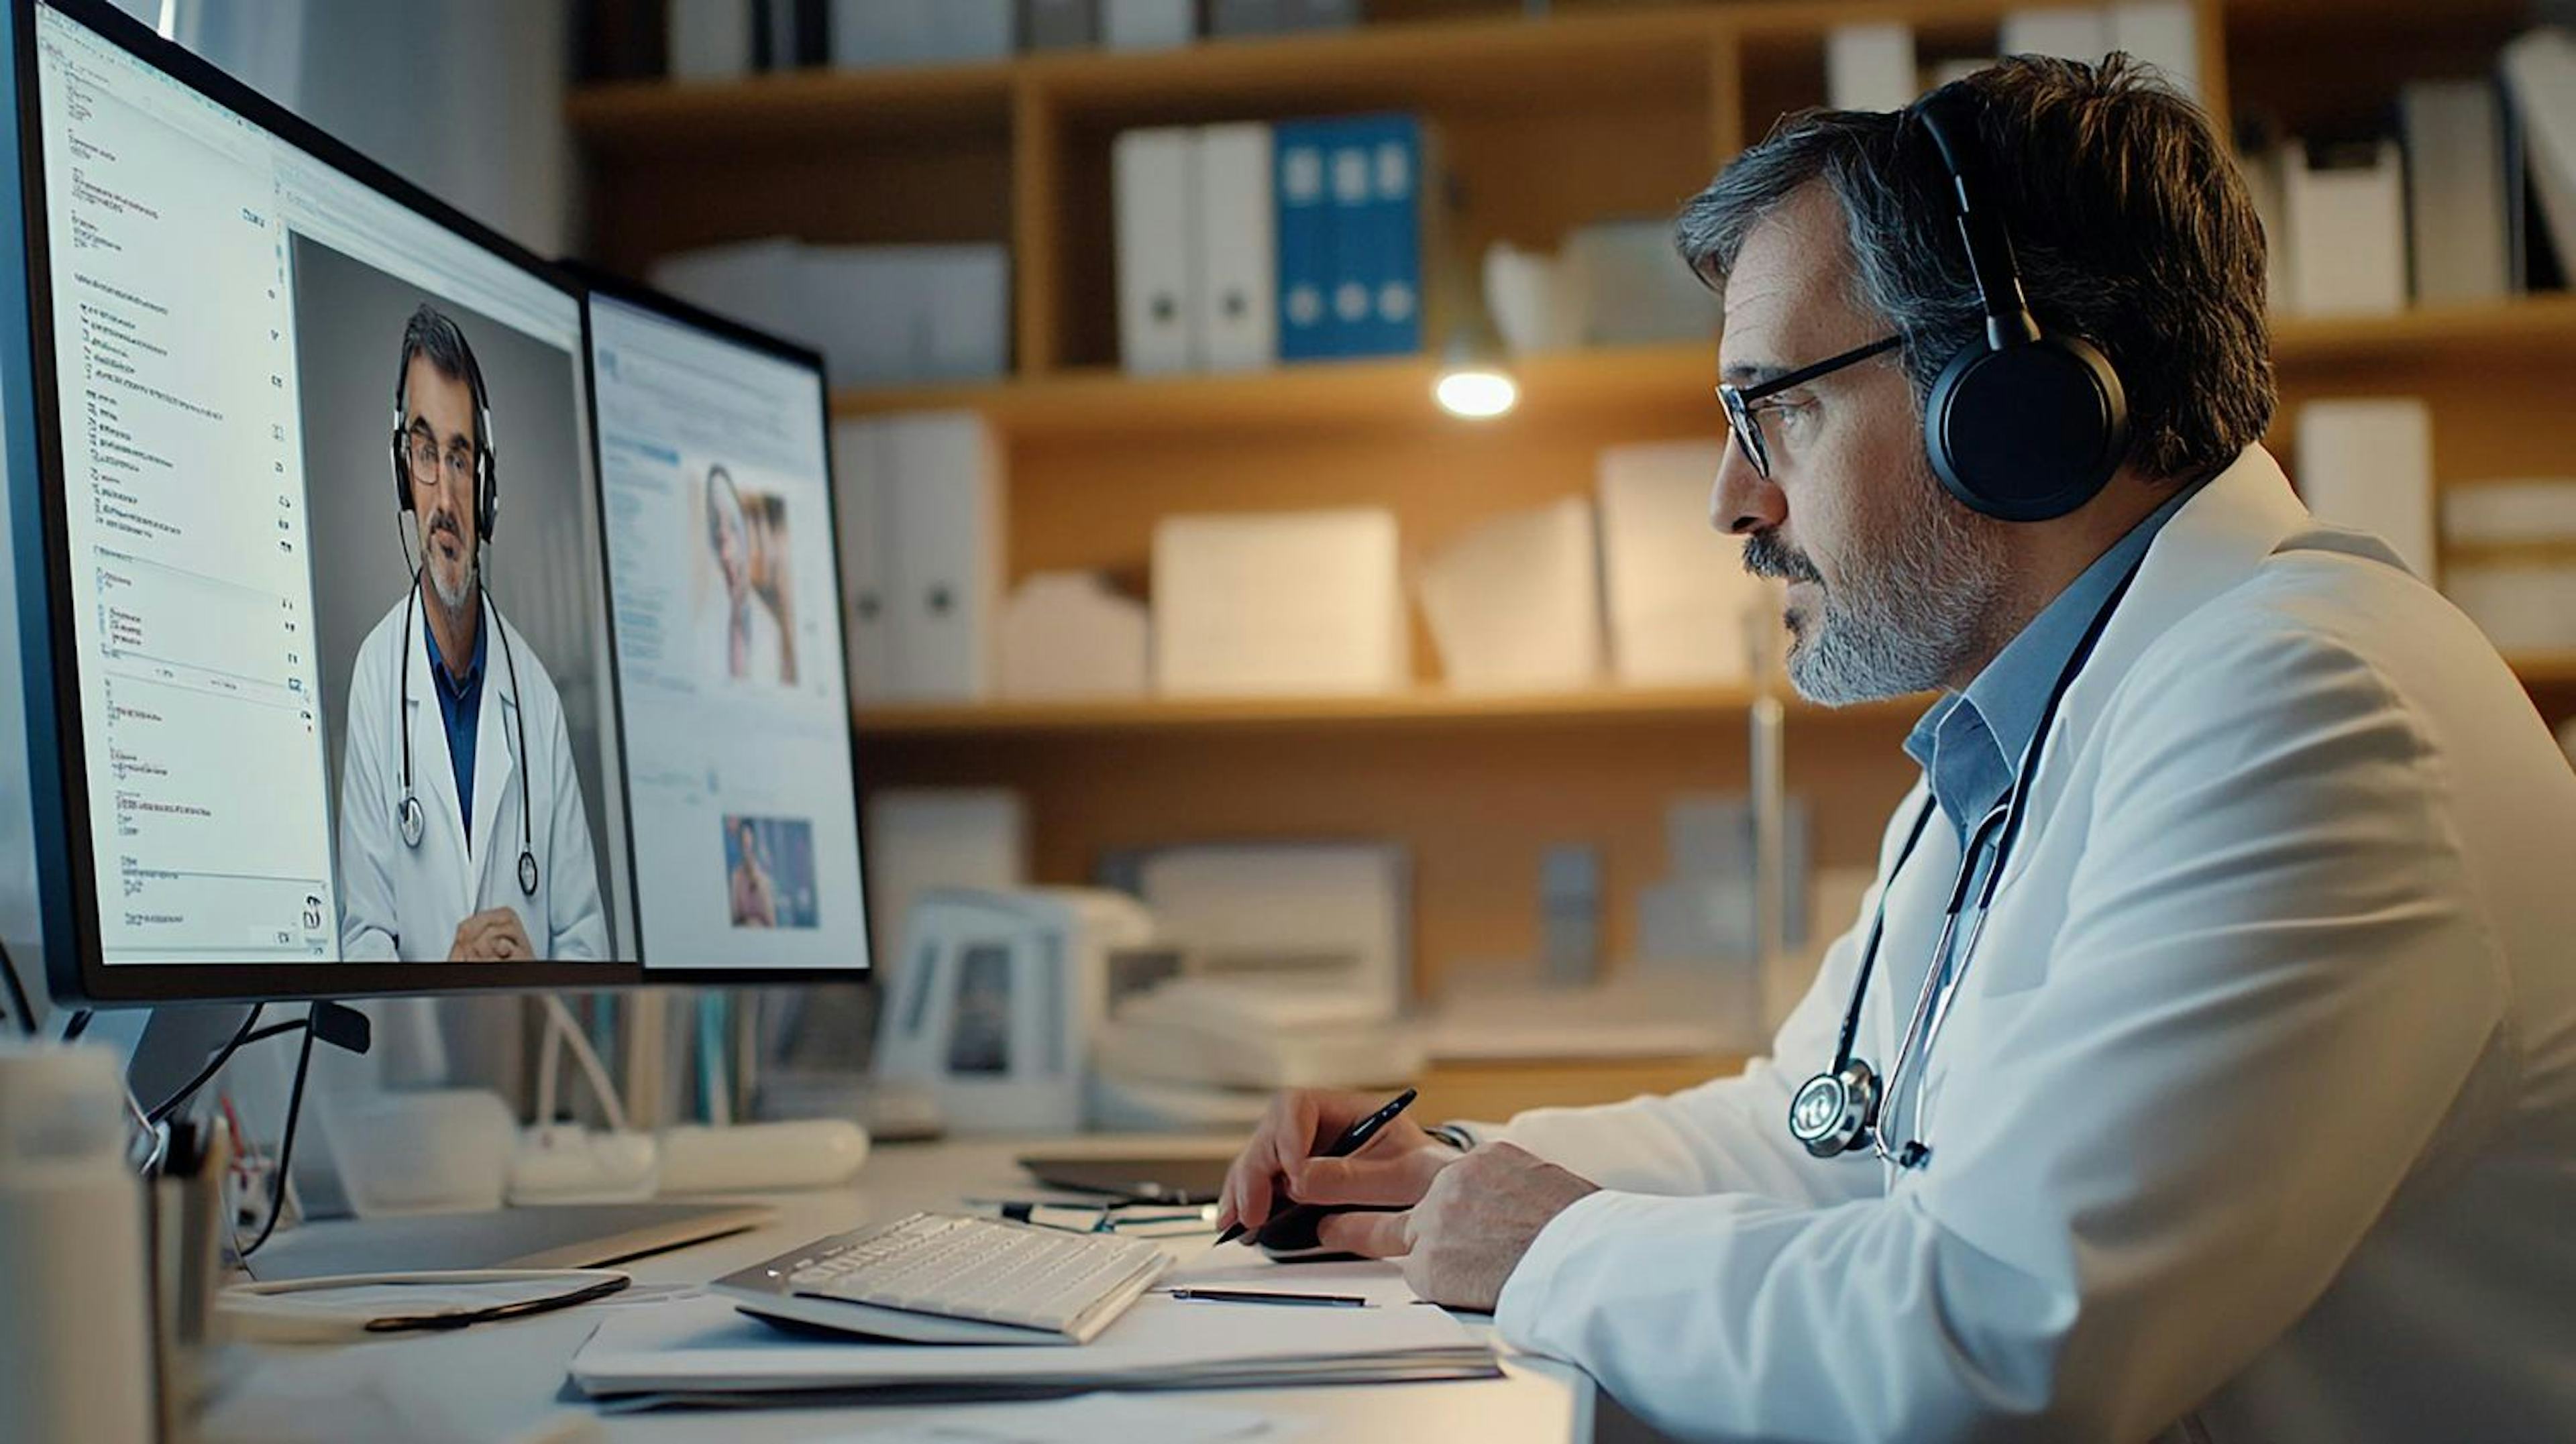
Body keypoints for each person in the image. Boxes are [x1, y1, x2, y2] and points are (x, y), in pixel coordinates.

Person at [1218, 57, 2576, 1443]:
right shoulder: (2045, 719)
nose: (1733, 498)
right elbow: (1824, 1137)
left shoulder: (2307, 707)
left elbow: (1998, 1342)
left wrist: (1551, 1245)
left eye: (1774, 406)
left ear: (2010, 400)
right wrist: (1455, 1174)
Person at [337, 304, 610, 962]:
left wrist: (535, 978)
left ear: (485, 484)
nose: (445, 500)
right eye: (426, 454)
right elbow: (362, 937)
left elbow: (588, 938)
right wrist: (451, 976)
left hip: (518, 1054)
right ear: (404, 471)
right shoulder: (378, 676)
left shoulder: (536, 694)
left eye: (459, 459)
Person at [704, 464, 786, 686]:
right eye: (718, 534)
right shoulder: (703, 622)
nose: (726, 553)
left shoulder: (769, 631)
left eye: (732, 527)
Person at [729, 818, 778, 928]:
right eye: (743, 840)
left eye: (748, 840)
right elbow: (734, 918)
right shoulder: (736, 877)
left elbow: (772, 922)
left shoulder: (765, 878)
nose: (746, 845)